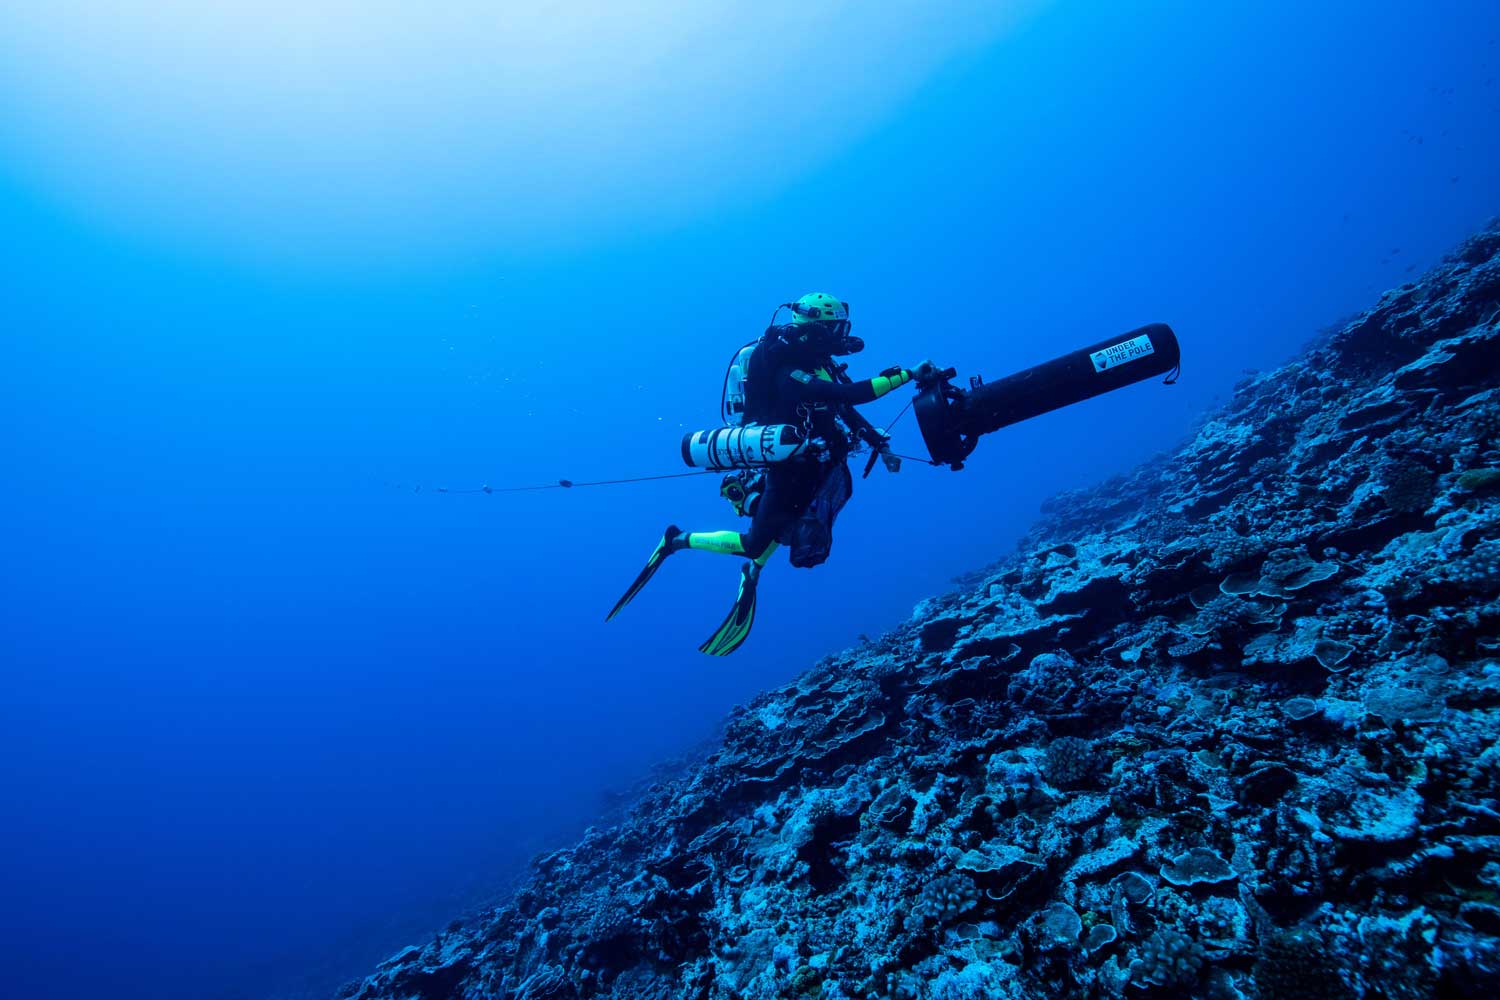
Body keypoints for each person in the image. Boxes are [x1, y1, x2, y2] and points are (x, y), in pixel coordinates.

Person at [606, 291, 935, 655]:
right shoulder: (787, 370)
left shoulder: (819, 361)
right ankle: (677, 539)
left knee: (793, 521)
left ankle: (754, 565)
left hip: (818, 463)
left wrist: (879, 444)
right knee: (755, 543)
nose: (844, 335)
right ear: (820, 328)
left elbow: (843, 406)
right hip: (789, 467)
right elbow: (851, 394)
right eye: (837, 328)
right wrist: (905, 374)